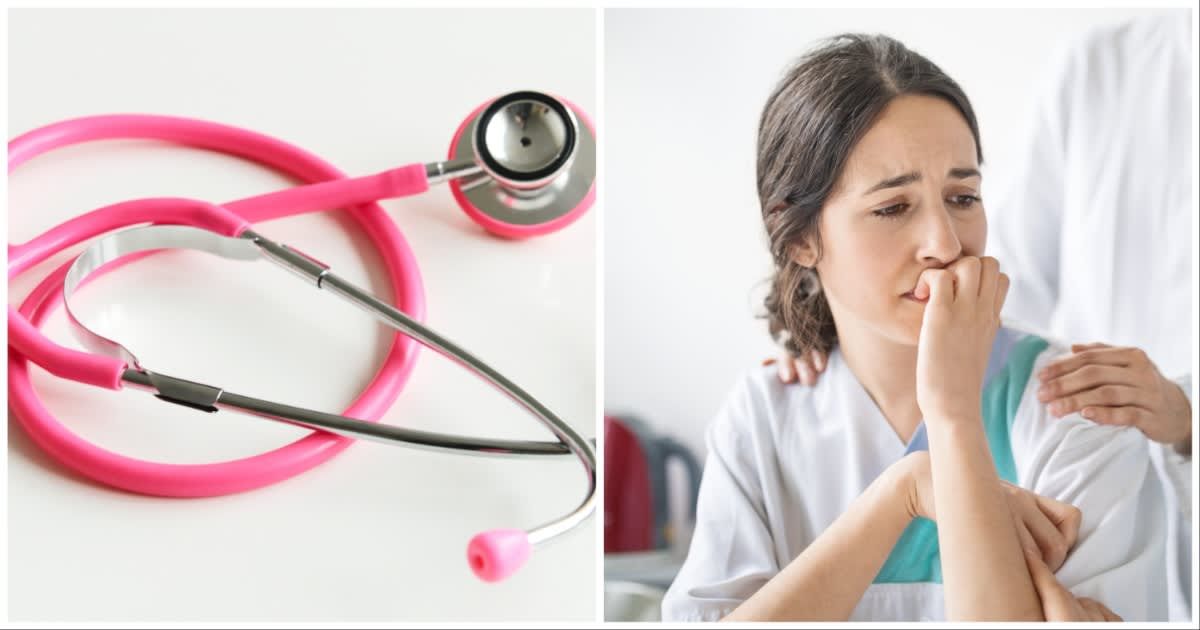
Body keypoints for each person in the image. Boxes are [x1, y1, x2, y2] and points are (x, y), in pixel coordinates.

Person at [661, 33, 1167, 621]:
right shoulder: (762, 421)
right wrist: (903, 492)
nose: (946, 244)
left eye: (962, 196)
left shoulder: (1077, 406)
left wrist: (951, 417)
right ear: (799, 235)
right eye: (893, 208)